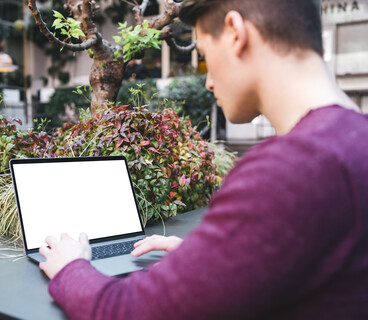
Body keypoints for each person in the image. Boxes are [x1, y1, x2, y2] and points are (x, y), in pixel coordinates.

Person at [38, 0, 368, 318]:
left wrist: (71, 267)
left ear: (236, 33)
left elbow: (126, 311)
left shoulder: (291, 170)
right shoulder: (353, 141)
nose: (208, 81)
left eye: (205, 57)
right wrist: (213, 261)